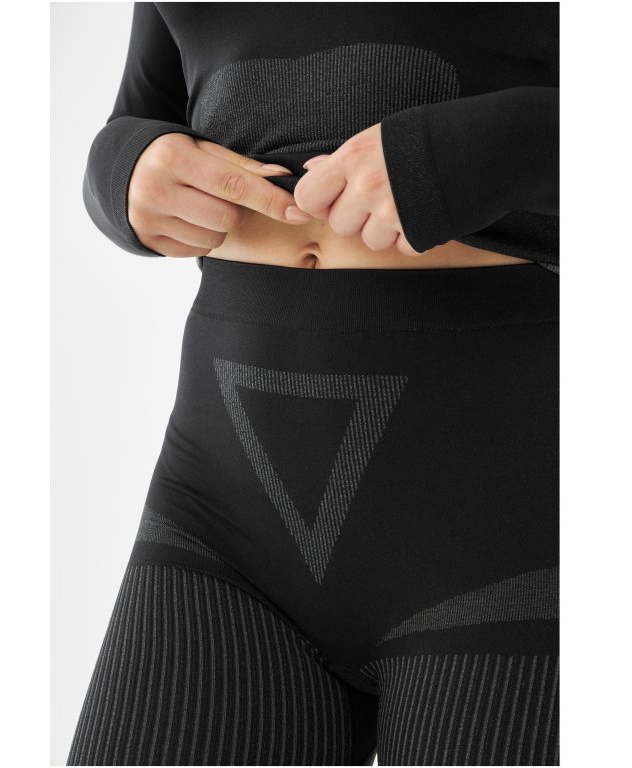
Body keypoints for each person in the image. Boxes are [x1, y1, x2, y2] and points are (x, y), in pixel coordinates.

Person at [69, 3, 558, 765]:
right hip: (221, 506)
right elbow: (144, 112)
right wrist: (125, 170)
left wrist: (493, 145)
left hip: (508, 517)